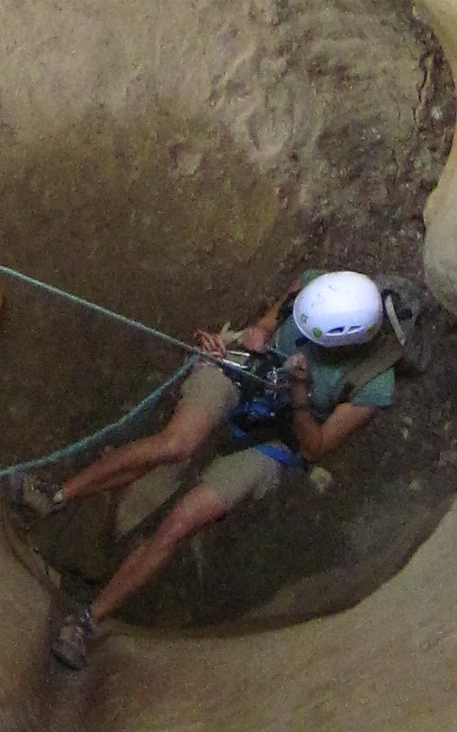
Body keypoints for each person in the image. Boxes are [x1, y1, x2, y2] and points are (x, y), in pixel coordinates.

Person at [28, 271, 400, 668]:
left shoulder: (374, 383)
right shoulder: (320, 289)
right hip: (249, 371)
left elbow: (317, 447)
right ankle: (55, 496)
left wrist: (298, 394)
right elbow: (272, 319)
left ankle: (88, 621)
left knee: (181, 523)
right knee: (177, 444)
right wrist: (257, 332)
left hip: (284, 433)